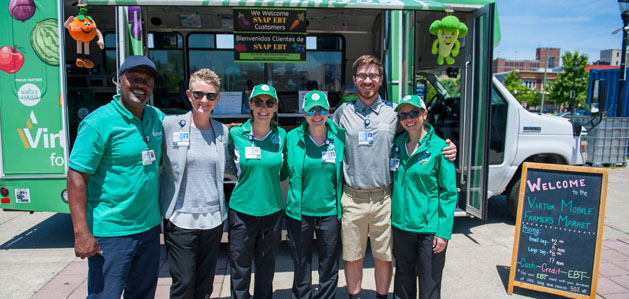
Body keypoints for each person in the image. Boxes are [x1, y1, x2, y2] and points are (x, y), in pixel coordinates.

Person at [331, 54, 457, 298]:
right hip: (352, 197)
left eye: (373, 75)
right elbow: (320, 133)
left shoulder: (393, 112)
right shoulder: (341, 113)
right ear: (355, 79)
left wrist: (446, 147)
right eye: (363, 76)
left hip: (385, 198)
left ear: (380, 79)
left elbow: (417, 133)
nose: (368, 80)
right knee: (352, 254)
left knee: (384, 255)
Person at [67, 55, 164, 298]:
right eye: (133, 78)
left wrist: (232, 129)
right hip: (111, 233)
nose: (140, 85)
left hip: (150, 228)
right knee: (105, 295)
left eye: (147, 80)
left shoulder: (156, 117)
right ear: (119, 81)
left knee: (142, 294)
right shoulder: (98, 123)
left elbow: (190, 126)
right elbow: (77, 176)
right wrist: (82, 233)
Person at [159, 68, 237, 299]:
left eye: (210, 96)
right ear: (188, 94)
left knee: (204, 286)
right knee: (183, 283)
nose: (204, 100)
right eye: (198, 94)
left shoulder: (221, 131)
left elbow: (230, 168)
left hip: (212, 221)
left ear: (217, 99)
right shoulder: (170, 125)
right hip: (180, 219)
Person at [391, 95, 457, 299]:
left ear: (424, 114)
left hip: (429, 228)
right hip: (402, 226)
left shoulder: (440, 148)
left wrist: (443, 232)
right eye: (403, 115)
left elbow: (448, 193)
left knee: (429, 285)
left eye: (414, 113)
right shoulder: (397, 144)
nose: (408, 119)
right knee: (403, 281)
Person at [228, 84, 288, 299]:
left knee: (266, 269)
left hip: (271, 211)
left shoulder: (281, 135)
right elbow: (228, 168)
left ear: (275, 107)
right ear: (250, 105)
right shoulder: (236, 133)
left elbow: (283, 173)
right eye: (258, 102)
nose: (264, 108)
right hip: (242, 211)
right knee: (240, 269)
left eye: (269, 103)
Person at [285, 90, 345, 298]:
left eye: (322, 109)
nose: (317, 114)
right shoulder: (291, 138)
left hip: (329, 211)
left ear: (329, 112)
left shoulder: (340, 137)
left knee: (329, 263)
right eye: (312, 109)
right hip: (300, 211)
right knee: (301, 262)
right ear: (304, 112)